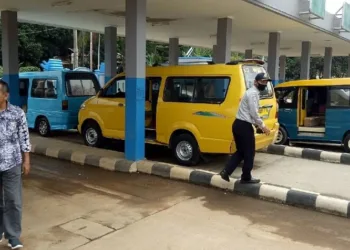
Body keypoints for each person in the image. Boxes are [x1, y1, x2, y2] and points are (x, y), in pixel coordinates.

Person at [220, 73, 271, 184]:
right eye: (262, 81)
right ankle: (246, 177)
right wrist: (263, 126)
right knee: (249, 152)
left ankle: (226, 171)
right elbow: (254, 113)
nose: (264, 84)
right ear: (256, 82)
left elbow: (249, 113)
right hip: (243, 126)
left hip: (239, 124)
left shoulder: (252, 92)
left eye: (266, 82)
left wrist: (257, 125)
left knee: (241, 151)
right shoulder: (253, 93)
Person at [0, 79, 31, 249]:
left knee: (13, 200)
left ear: (6, 95)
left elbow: (24, 138)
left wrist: (26, 160)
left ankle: (13, 236)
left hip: (12, 163)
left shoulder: (17, 113)